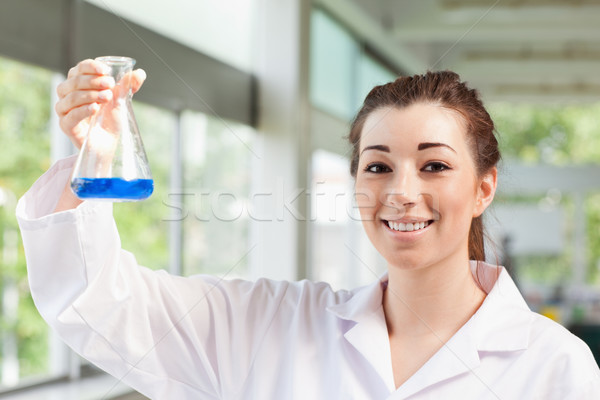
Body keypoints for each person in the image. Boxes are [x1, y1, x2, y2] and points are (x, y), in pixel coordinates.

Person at [17, 60, 600, 399]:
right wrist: (96, 156)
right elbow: (99, 304)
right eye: (377, 165)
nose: (400, 191)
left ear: (484, 188)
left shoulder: (557, 367)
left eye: (435, 165)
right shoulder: (267, 327)